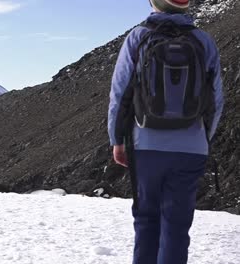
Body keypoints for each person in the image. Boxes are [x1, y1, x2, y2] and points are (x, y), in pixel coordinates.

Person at [107, 0, 224, 263]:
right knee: (177, 227)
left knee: (147, 222)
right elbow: (216, 101)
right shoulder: (204, 41)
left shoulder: (138, 37)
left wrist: (117, 141)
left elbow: (120, 94)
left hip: (146, 145)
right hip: (191, 149)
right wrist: (203, 139)